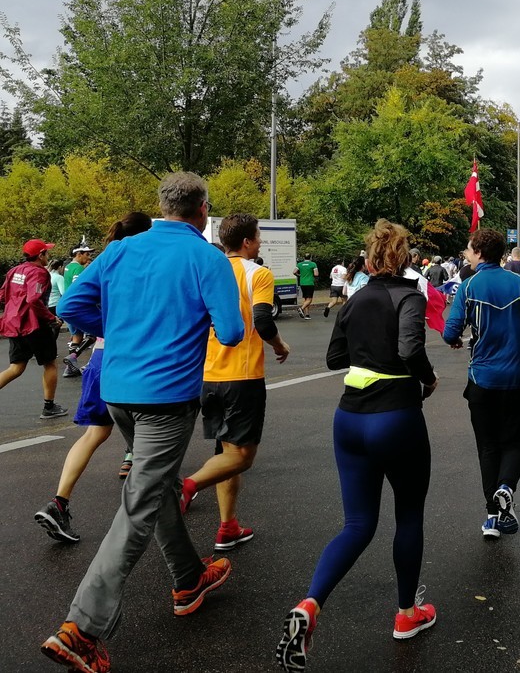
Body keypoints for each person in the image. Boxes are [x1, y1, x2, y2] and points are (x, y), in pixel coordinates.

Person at [41, 172, 244, 673]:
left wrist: (125, 330)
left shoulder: (120, 250)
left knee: (154, 487)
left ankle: (189, 577)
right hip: (166, 399)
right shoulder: (206, 257)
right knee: (139, 505)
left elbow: (70, 306)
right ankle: (80, 629)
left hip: (117, 392)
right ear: (202, 209)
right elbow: (234, 331)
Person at [276, 220, 439, 673]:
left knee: (357, 524)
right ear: (405, 260)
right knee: (408, 514)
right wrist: (428, 378)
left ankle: (310, 604)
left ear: (367, 262)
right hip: (396, 417)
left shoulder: (354, 300)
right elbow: (409, 349)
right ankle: (407, 614)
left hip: (349, 418)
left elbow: (334, 358)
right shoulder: (409, 296)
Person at [34, 213, 153, 545]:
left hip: (100, 358)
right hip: (135, 360)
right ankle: (160, 501)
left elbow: (71, 306)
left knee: (94, 433)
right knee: (155, 429)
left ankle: (59, 502)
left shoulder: (103, 263)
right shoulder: (144, 264)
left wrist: (105, 329)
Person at [181, 214, 291, 552]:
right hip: (241, 377)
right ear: (246, 242)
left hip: (208, 375)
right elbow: (261, 318)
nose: (259, 242)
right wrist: (278, 345)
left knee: (225, 452)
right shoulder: (257, 273)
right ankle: (183, 488)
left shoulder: (207, 271)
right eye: (257, 236)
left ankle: (227, 526)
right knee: (242, 457)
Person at [443, 228, 520, 539]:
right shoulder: (519, 282)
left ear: (478, 252)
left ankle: (493, 514)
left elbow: (451, 333)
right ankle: (506, 488)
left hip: (482, 379)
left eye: (467, 249)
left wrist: (456, 339)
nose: (465, 253)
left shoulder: (469, 285)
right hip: (517, 378)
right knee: (516, 442)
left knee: (487, 447)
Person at [0, 239, 66, 419]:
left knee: (16, 368)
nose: (49, 256)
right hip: (34, 325)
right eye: (47, 252)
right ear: (40, 255)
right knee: (50, 363)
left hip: (14, 324)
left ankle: (50, 407)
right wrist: (51, 318)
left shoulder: (14, 270)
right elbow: (33, 299)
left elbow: (3, 294)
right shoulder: (39, 273)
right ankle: (49, 407)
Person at [62, 241, 95, 378]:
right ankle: (74, 357)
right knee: (93, 335)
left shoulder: (68, 267)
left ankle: (69, 368)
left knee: (77, 336)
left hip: (67, 306)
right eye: (87, 254)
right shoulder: (78, 269)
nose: (89, 257)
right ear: (79, 254)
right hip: (80, 307)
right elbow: (80, 288)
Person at [294, 254, 319, 319]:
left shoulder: (299, 264)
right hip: (310, 283)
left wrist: (299, 275)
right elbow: (316, 274)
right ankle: (301, 308)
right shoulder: (313, 264)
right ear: (310, 257)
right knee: (309, 299)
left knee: (306, 299)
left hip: (302, 283)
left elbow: (294, 272)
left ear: (304, 257)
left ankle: (307, 315)